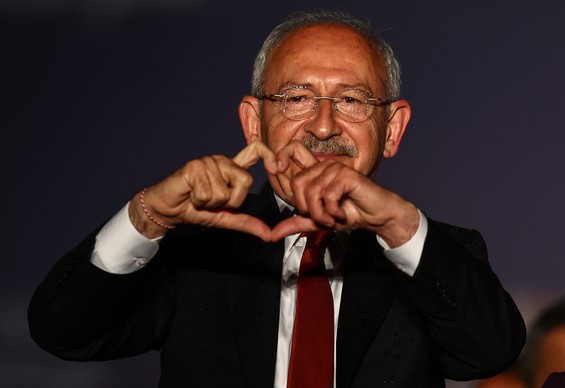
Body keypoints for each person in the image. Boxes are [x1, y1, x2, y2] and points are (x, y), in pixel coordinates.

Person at [28, 10, 525, 387]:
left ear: (391, 129)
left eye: (351, 100)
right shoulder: (198, 250)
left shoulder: (432, 253)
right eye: (297, 98)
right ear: (253, 123)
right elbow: (63, 332)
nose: (325, 125)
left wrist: (398, 226)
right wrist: (149, 217)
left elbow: (489, 352)